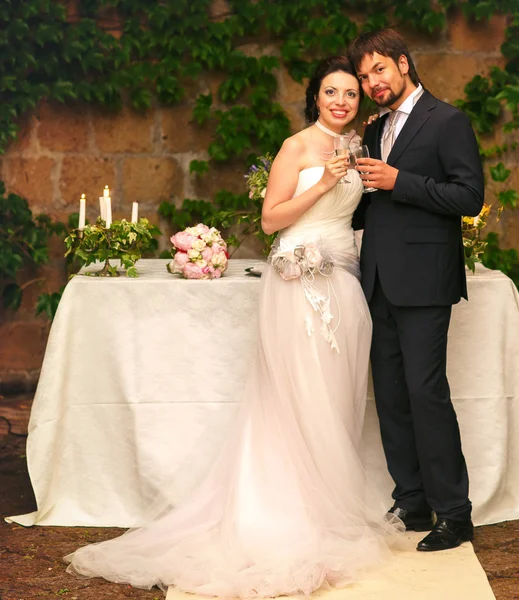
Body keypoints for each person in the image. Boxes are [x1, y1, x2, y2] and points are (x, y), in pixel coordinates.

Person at [64, 56, 402, 598]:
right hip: (297, 281)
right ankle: (283, 514)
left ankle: (329, 509)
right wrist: (323, 185)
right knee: (296, 399)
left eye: (351, 95)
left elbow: (356, 215)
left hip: (344, 283)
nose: (342, 101)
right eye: (331, 92)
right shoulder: (297, 147)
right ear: (315, 96)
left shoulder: (360, 147)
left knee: (336, 401)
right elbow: (271, 219)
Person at [347, 29, 485, 552]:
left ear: (404, 64)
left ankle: (455, 513)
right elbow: (369, 205)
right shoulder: (375, 126)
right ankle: (412, 500)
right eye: (364, 76)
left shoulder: (448, 121)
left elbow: (469, 196)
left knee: (427, 394)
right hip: (377, 278)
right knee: (391, 395)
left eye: (378, 69)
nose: (371, 82)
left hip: (425, 281)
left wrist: (397, 179)